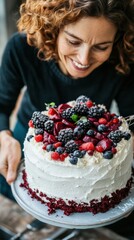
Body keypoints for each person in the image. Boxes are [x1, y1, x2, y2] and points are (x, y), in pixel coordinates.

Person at [0, 0, 134, 238]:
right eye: (73, 41)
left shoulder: (123, 60)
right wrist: (3, 135)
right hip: (26, 151)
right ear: (53, 28)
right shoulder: (22, 48)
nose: (84, 59)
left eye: (101, 47)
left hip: (100, 174)